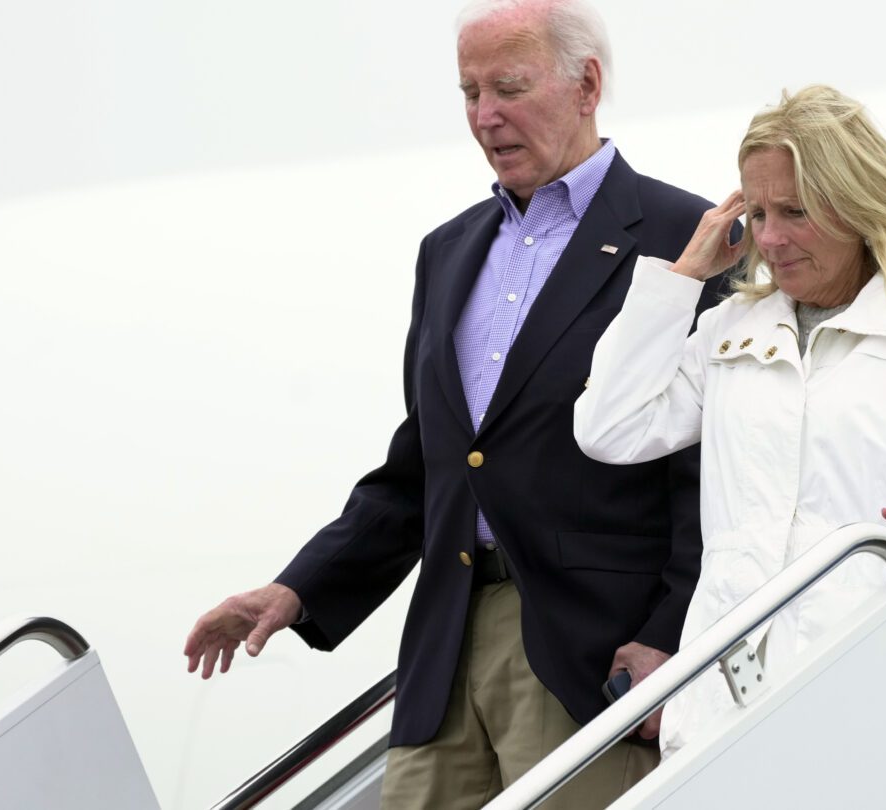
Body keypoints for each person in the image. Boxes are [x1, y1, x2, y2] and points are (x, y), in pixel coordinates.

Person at [183, 1, 729, 806]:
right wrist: (298, 588)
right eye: (469, 92)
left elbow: (709, 468)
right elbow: (427, 467)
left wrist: (667, 636)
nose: (485, 116)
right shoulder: (447, 251)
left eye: (508, 87)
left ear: (587, 85)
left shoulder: (684, 235)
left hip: (591, 656)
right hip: (442, 648)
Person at [574, 84, 886, 757]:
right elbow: (607, 428)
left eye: (795, 211)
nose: (770, 238)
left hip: (865, 692)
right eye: (757, 212)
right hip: (721, 707)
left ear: (855, 203)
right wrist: (680, 278)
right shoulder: (730, 327)